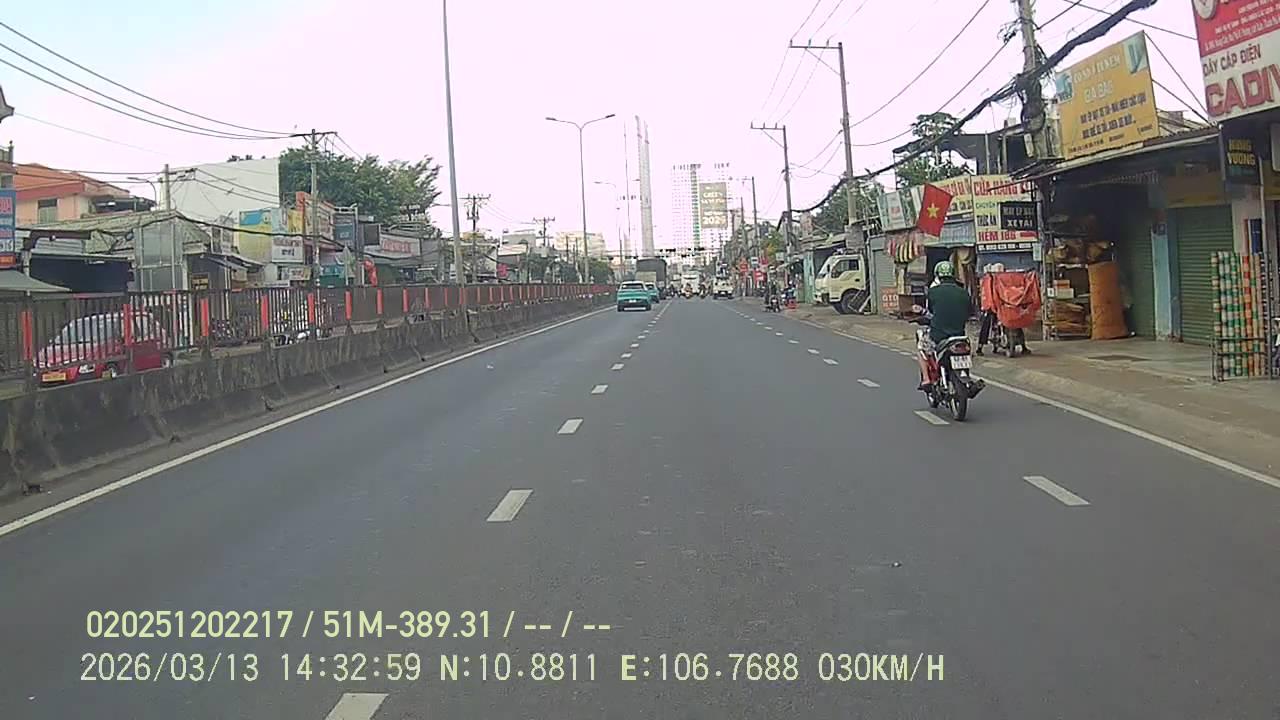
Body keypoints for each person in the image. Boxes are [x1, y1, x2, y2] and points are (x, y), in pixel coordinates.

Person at [914, 260, 971, 392]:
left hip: (938, 335)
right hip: (960, 335)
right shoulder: (964, 292)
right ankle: (965, 375)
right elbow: (970, 313)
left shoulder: (932, 292)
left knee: (921, 347)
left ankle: (926, 379)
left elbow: (930, 312)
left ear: (938, 275)